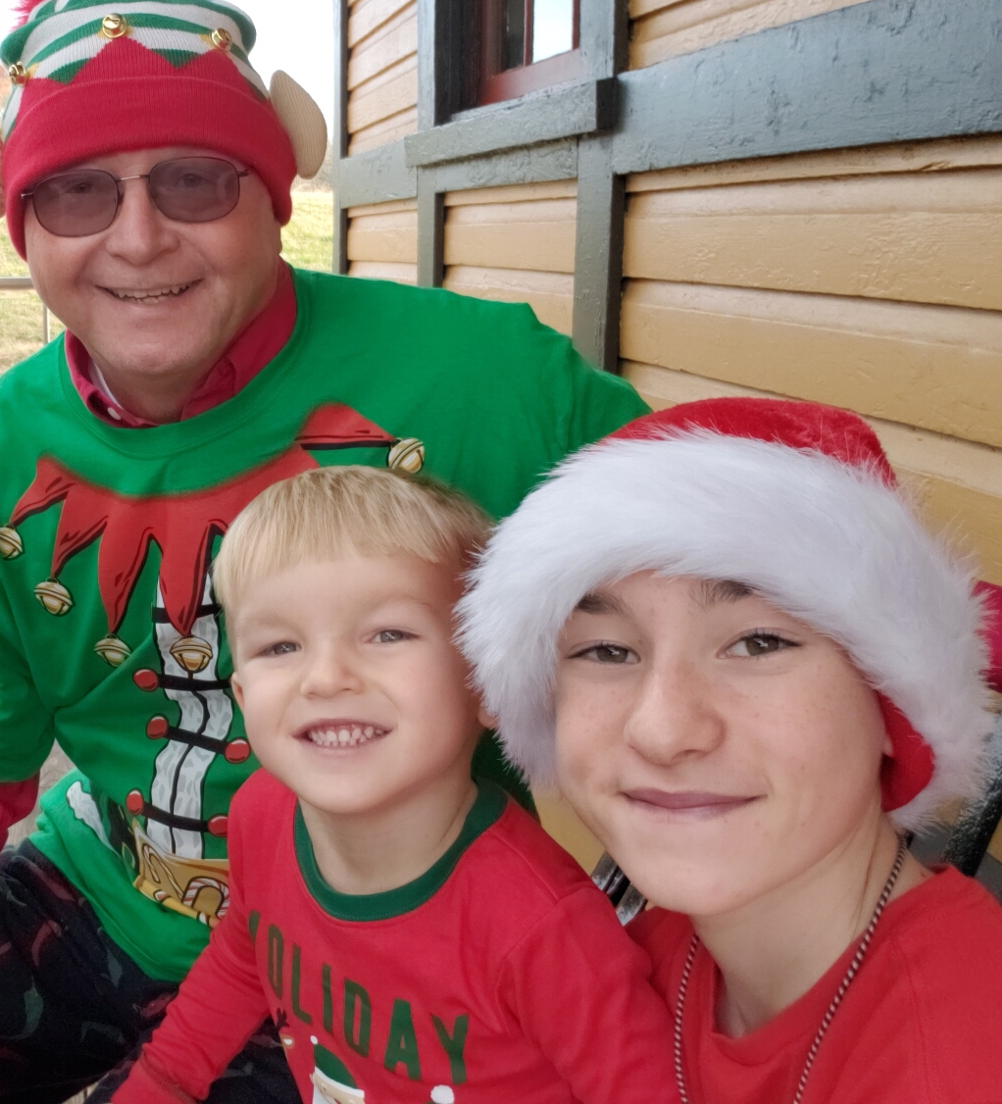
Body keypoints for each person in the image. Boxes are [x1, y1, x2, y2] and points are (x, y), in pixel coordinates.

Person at [0, 0, 653, 1104]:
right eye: (77, 191)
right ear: (23, 228)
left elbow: (733, 577)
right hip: (97, 897)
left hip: (382, 961)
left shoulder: (488, 381)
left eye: (194, 180)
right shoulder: (0, 448)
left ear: (273, 199)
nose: (138, 238)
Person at [460, 397, 1002, 1104]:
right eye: (607, 651)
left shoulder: (958, 1063)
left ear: (889, 706)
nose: (663, 731)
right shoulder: (628, 966)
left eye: (758, 642)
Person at [110, 466, 677, 1104]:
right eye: (280, 647)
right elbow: (245, 955)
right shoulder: (260, 816)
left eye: (388, 634)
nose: (326, 678)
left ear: (487, 683)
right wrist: (160, 1083)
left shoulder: (545, 930)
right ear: (242, 697)